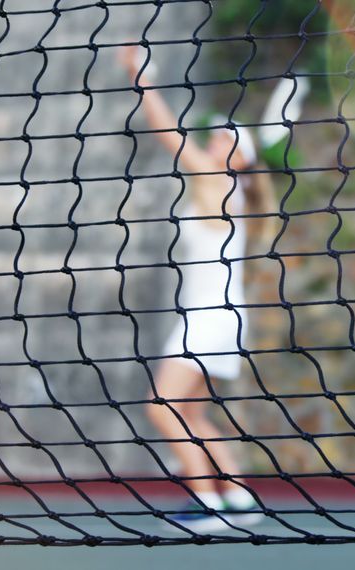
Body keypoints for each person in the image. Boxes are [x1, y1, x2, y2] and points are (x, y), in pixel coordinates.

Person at [119, 46, 274, 532]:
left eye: (227, 139)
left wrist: (142, 79)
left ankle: (207, 504)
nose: (215, 140)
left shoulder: (217, 182)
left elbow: (169, 135)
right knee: (190, 413)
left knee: (161, 408)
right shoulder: (230, 191)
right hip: (220, 317)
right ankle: (240, 498)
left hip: (209, 319)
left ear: (240, 160)